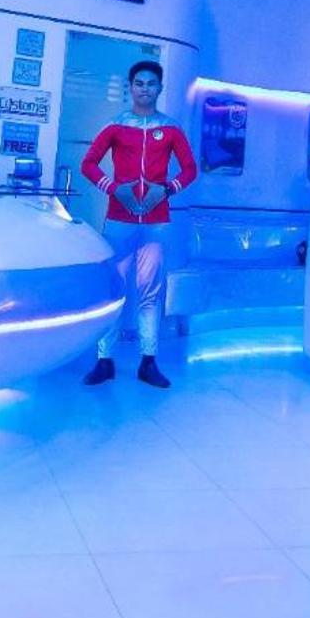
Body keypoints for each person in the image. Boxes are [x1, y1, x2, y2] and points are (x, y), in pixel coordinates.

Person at [79, 59, 197, 388]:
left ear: (160, 88)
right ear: (130, 88)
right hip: (119, 221)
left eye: (151, 83)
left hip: (156, 224)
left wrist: (168, 189)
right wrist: (113, 188)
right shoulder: (116, 125)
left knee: (151, 293)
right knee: (113, 289)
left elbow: (190, 169)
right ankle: (104, 360)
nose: (145, 89)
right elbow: (88, 164)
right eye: (139, 83)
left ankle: (148, 361)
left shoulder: (171, 128)